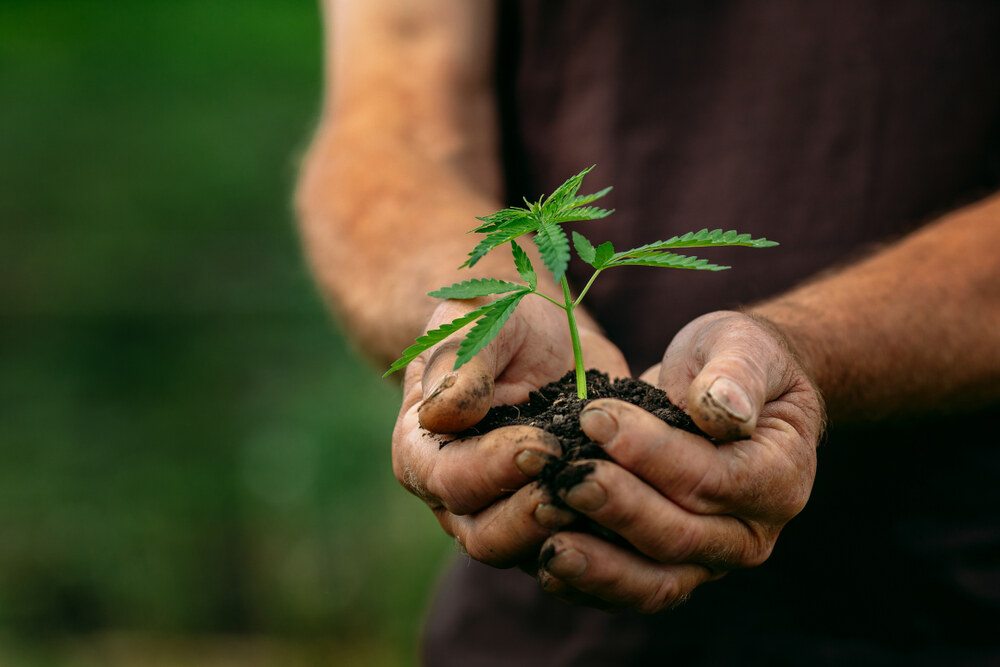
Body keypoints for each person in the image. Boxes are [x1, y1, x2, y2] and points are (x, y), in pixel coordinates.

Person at [297, 1, 1000, 663]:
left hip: (947, 608)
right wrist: (482, 313)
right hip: (537, 630)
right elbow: (390, 130)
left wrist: (809, 349)